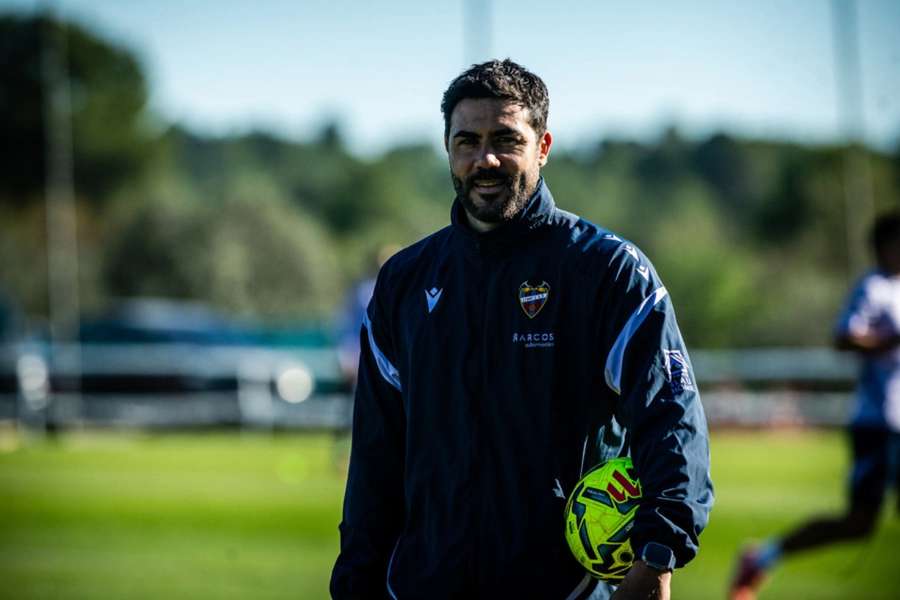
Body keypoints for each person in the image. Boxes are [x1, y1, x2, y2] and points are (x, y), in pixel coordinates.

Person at [331, 59, 713, 600]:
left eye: (505, 139)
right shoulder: (404, 282)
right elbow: (375, 457)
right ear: (448, 150)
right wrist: (355, 581)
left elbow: (672, 419)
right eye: (467, 141)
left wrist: (657, 555)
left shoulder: (607, 272)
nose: (484, 158)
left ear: (543, 146)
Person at [729, 212, 900, 600]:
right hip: (879, 422)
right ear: (884, 246)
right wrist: (887, 341)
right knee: (858, 523)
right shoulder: (872, 288)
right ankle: (762, 557)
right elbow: (843, 337)